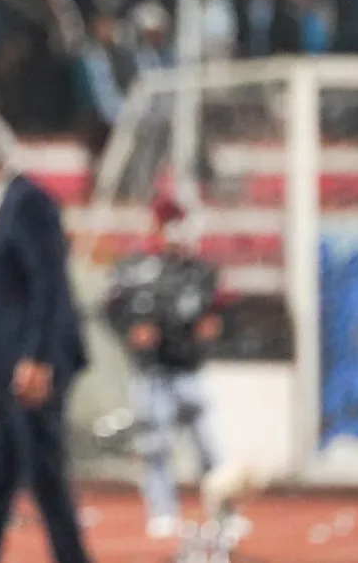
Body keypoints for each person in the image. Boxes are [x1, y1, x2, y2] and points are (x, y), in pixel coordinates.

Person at [0, 112, 92, 563]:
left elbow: (50, 284)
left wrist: (37, 358)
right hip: (5, 370)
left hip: (29, 370)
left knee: (44, 478)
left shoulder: (27, 200)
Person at [103, 196, 223, 538]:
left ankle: (222, 512)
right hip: (151, 370)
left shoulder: (198, 270)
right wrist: (130, 330)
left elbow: (216, 312)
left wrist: (209, 327)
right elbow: (111, 308)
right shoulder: (134, 267)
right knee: (155, 444)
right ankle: (162, 510)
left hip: (187, 367)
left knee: (207, 446)